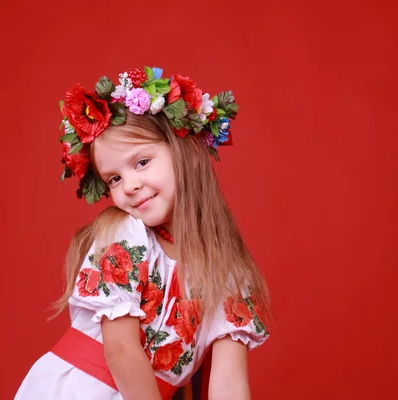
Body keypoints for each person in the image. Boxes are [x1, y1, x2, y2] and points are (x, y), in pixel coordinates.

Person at [15, 66, 270, 400]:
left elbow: (229, 384)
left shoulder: (228, 273)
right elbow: (121, 351)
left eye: (141, 162)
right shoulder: (127, 233)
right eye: (114, 179)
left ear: (186, 152)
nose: (130, 186)